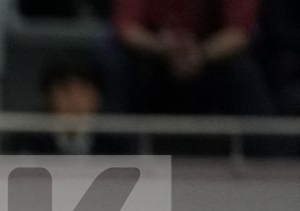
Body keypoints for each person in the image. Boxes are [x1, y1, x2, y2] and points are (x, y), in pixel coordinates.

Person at [113, 0, 276, 121]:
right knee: (118, 63)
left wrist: (201, 54)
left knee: (243, 71)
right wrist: (162, 48)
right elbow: (127, 28)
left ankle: (272, 159)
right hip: (155, 54)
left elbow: (238, 32)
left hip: (211, 55)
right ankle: (115, 155)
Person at [8, 53, 137, 156]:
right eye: (65, 90)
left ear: (99, 96)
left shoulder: (116, 142)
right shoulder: (27, 138)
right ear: (46, 96)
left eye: (83, 90)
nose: (74, 100)